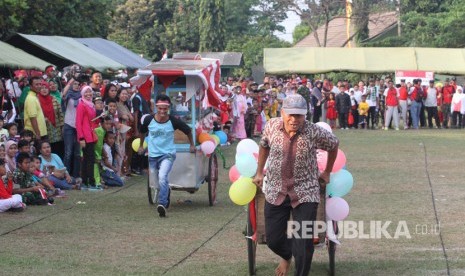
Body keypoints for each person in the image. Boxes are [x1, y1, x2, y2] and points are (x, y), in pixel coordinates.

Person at [253, 94, 339, 276]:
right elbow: (263, 145)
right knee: (274, 240)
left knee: (303, 242)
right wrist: (260, 171)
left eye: (299, 115)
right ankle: (286, 256)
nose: (294, 119)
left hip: (305, 191)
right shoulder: (271, 126)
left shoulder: (313, 131)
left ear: (305, 115)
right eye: (290, 115)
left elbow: (334, 144)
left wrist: (327, 172)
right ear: (282, 113)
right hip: (276, 190)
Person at [139, 94, 195, 217]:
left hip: (167, 154)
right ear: (156, 107)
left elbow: (188, 130)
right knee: (156, 181)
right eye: (160, 108)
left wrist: (192, 145)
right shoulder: (149, 120)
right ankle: (166, 192)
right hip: (153, 155)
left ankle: (162, 204)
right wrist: (141, 145)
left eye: (165, 108)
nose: (162, 111)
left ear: (168, 108)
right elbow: (142, 131)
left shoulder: (173, 121)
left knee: (163, 176)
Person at [76, 86, 100, 190]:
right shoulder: (81, 105)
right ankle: (90, 182)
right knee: (89, 160)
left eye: (90, 92)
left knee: (88, 159)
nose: (88, 94)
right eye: (86, 92)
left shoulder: (91, 105)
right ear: (82, 93)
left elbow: (92, 121)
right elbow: (78, 122)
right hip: (85, 136)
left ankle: (86, 182)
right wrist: (81, 138)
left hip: (91, 135)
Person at [61, 78, 82, 178]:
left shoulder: (82, 97)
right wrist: (70, 82)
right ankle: (66, 175)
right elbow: (63, 95)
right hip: (68, 124)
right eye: (74, 84)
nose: (76, 85)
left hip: (79, 126)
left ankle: (76, 175)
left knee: (77, 153)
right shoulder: (68, 95)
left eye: (78, 84)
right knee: (68, 152)